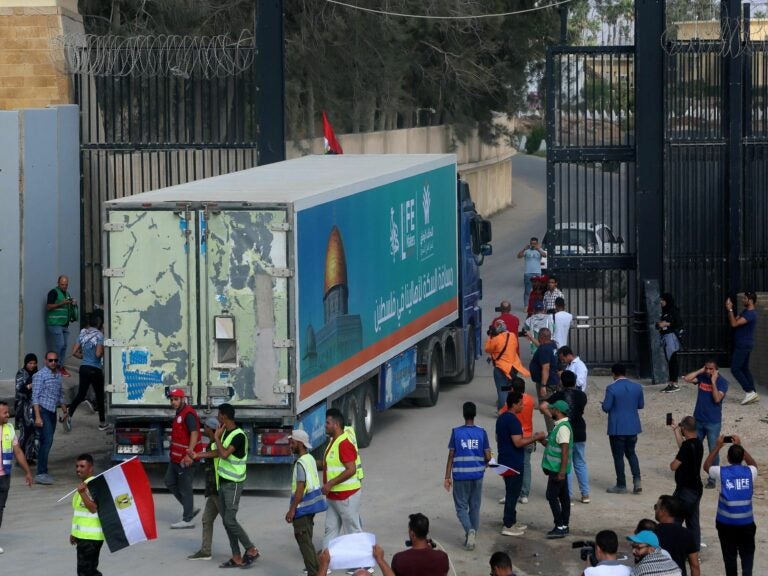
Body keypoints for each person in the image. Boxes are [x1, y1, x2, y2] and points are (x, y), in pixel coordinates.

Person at [703, 435, 757, 576]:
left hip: (725, 524)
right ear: (741, 457)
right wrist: (740, 447)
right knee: (747, 559)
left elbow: (706, 466)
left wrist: (718, 447)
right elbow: (754, 465)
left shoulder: (722, 472)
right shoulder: (750, 472)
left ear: (728, 458)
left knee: (729, 559)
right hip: (746, 524)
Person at [214, 403, 259, 568]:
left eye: (219, 414)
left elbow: (224, 454)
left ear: (224, 416)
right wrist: (197, 454)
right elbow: (217, 451)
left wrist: (216, 437)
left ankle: (251, 549)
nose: (217, 417)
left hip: (234, 484)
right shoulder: (225, 432)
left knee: (230, 520)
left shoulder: (239, 436)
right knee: (226, 522)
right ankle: (236, 557)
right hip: (223, 481)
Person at [496, 391, 546, 536]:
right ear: (514, 404)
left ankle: (512, 520)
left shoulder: (502, 418)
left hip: (504, 460)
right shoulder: (513, 420)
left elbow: (499, 438)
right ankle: (508, 524)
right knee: (513, 494)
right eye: (520, 403)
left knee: (511, 492)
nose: (522, 406)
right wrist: (536, 437)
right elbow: (518, 442)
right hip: (513, 462)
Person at [444, 401, 491, 550]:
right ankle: (471, 536)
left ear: (463, 414)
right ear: (475, 414)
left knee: (461, 508)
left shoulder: (456, 432)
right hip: (477, 475)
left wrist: (447, 477)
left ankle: (469, 531)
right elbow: (488, 456)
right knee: (475, 507)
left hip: (460, 476)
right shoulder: (482, 432)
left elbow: (451, 455)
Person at [542, 370, 590, 503]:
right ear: (575, 381)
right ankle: (585, 494)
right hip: (580, 430)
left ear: (562, 382)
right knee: (580, 462)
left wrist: (553, 416)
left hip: (565, 430)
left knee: (566, 462)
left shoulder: (558, 395)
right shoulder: (582, 395)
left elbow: (543, 406)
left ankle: (567, 495)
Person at [286, 429, 327, 576]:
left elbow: (300, 488)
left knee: (305, 545)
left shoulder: (300, 463)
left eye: (293, 442)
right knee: (307, 543)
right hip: (311, 508)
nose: (290, 444)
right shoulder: (309, 458)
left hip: (302, 510)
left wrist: (292, 510)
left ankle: (314, 573)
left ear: (299, 443)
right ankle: (318, 571)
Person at [321, 407, 363, 548]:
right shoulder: (334, 441)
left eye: (327, 423)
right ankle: (326, 564)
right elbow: (330, 464)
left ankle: (363, 565)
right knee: (330, 530)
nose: (325, 426)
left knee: (353, 530)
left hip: (346, 496)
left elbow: (351, 469)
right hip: (334, 496)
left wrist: (330, 483)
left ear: (336, 425)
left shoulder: (344, 443)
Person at [682, 360, 727, 490]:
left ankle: (712, 478)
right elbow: (686, 379)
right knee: (693, 448)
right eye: (706, 368)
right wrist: (700, 370)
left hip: (713, 422)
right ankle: (692, 475)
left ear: (716, 370)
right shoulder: (702, 376)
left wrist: (713, 382)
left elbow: (717, 399)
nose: (708, 371)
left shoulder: (722, 382)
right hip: (699, 420)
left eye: (711, 369)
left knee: (713, 450)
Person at [602, 363, 644, 494]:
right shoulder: (637, 387)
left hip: (617, 427)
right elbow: (640, 405)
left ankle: (621, 484)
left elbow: (606, 407)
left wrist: (603, 404)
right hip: (632, 426)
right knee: (631, 453)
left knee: (618, 456)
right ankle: (637, 480)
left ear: (613, 374)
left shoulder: (611, 388)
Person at [0, 400, 34, 554]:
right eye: (5, 413)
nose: (8, 415)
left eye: (8, 412)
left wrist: (27, 471)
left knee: (0, 509)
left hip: (4, 477)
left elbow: (18, 451)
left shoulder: (9, 429)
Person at [165, 388, 201, 529]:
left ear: (182, 399)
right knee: (169, 481)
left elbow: (194, 433)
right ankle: (190, 509)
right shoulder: (179, 413)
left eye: (176, 399)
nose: (173, 402)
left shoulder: (188, 414)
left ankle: (187, 519)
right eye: (172, 399)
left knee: (185, 488)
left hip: (185, 459)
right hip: (175, 459)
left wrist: (189, 454)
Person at [188, 417, 223, 561]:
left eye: (205, 427)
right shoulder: (212, 443)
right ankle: (205, 551)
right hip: (212, 489)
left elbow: (216, 454)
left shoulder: (217, 444)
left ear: (210, 428)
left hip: (218, 489)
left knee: (230, 523)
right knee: (206, 519)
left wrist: (197, 455)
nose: (204, 429)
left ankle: (249, 549)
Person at [67, 313, 108, 431]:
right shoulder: (100, 335)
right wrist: (104, 352)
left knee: (80, 394)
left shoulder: (82, 333)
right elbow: (98, 354)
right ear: (99, 323)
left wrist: (84, 357)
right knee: (100, 396)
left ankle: (69, 415)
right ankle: (102, 423)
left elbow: (74, 352)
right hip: (95, 369)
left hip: (84, 368)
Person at [31, 351, 68, 484]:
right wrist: (37, 417)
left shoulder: (58, 375)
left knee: (48, 441)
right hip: (42, 411)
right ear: (45, 361)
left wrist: (64, 410)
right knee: (47, 440)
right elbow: (35, 397)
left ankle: (43, 469)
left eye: (55, 360)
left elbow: (60, 394)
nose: (53, 363)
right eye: (50, 360)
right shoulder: (40, 375)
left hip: (52, 411)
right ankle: (41, 473)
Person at [540, 399, 572, 539]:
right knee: (564, 497)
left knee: (551, 496)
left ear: (558, 412)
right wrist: (541, 440)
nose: (551, 411)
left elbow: (564, 452)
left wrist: (561, 472)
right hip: (558, 469)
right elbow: (554, 446)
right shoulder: (560, 426)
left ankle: (559, 525)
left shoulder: (563, 428)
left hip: (557, 470)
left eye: (552, 409)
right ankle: (564, 525)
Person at [669, 416, 703, 547]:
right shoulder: (697, 443)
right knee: (693, 521)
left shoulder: (686, 447)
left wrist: (671, 463)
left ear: (684, 428)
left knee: (674, 518)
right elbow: (683, 447)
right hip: (696, 489)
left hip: (685, 490)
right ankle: (694, 550)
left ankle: (674, 548)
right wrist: (676, 431)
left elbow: (674, 466)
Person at [70, 453, 103, 576]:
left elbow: (94, 508)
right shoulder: (84, 486)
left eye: (82, 466)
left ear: (90, 468)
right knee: (89, 571)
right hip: (84, 536)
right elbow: (80, 513)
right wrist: (74, 533)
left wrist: (83, 493)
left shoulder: (93, 485)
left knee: (85, 572)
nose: (78, 469)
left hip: (91, 538)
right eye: (77, 466)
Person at [485, 320, 528, 412]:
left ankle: (502, 411)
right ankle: (511, 408)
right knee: (509, 388)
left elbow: (487, 349)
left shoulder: (496, 339)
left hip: (501, 368)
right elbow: (514, 347)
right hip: (513, 368)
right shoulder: (512, 336)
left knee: (502, 390)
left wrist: (490, 336)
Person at [725, 292, 759, 405]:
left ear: (750, 300)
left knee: (735, 369)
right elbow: (733, 321)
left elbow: (734, 324)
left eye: (745, 298)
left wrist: (730, 309)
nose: (743, 300)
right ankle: (753, 392)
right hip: (744, 344)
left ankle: (749, 391)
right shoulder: (746, 312)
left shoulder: (750, 314)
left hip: (744, 344)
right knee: (744, 368)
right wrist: (730, 311)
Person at [654, 495, 700, 576]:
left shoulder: (652, 533)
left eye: (656, 507)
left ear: (663, 511)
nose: (655, 510)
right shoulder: (687, 534)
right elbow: (694, 566)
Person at [529, 328, 560, 432]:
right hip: (553, 381)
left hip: (547, 384)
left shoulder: (544, 349)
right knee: (548, 407)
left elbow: (545, 368)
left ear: (541, 337)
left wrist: (543, 386)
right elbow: (541, 348)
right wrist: (531, 338)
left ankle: (553, 433)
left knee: (547, 409)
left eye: (538, 336)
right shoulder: (551, 345)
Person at [46, 275, 76, 377]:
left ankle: (60, 367)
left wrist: (72, 303)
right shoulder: (53, 292)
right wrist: (62, 303)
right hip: (55, 324)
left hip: (64, 324)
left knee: (64, 346)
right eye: (62, 284)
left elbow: (67, 307)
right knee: (60, 345)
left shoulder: (67, 293)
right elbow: (49, 306)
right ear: (58, 283)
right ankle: (55, 367)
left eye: (66, 284)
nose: (64, 286)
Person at [14, 353, 38, 464]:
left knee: (32, 432)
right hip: (22, 407)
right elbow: (20, 389)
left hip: (34, 407)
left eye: (34, 363)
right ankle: (20, 458)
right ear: (26, 363)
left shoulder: (37, 374)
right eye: (30, 363)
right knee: (25, 432)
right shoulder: (21, 373)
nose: (32, 365)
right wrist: (31, 385)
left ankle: (28, 457)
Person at [657, 293, 684, 393]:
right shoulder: (665, 311)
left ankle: (675, 383)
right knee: (670, 361)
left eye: (662, 300)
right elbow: (661, 325)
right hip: (665, 337)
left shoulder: (673, 310)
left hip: (671, 338)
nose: (661, 302)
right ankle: (671, 382)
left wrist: (667, 323)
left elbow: (679, 323)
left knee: (673, 360)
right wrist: (659, 325)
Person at [517, 237, 546, 309]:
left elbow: (545, 255)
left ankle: (538, 305)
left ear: (537, 244)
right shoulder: (527, 251)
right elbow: (518, 256)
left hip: (537, 273)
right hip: (528, 273)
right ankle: (526, 306)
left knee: (538, 290)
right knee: (527, 290)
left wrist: (538, 249)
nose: (533, 245)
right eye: (531, 243)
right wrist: (524, 249)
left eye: (534, 244)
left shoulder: (539, 250)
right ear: (530, 243)